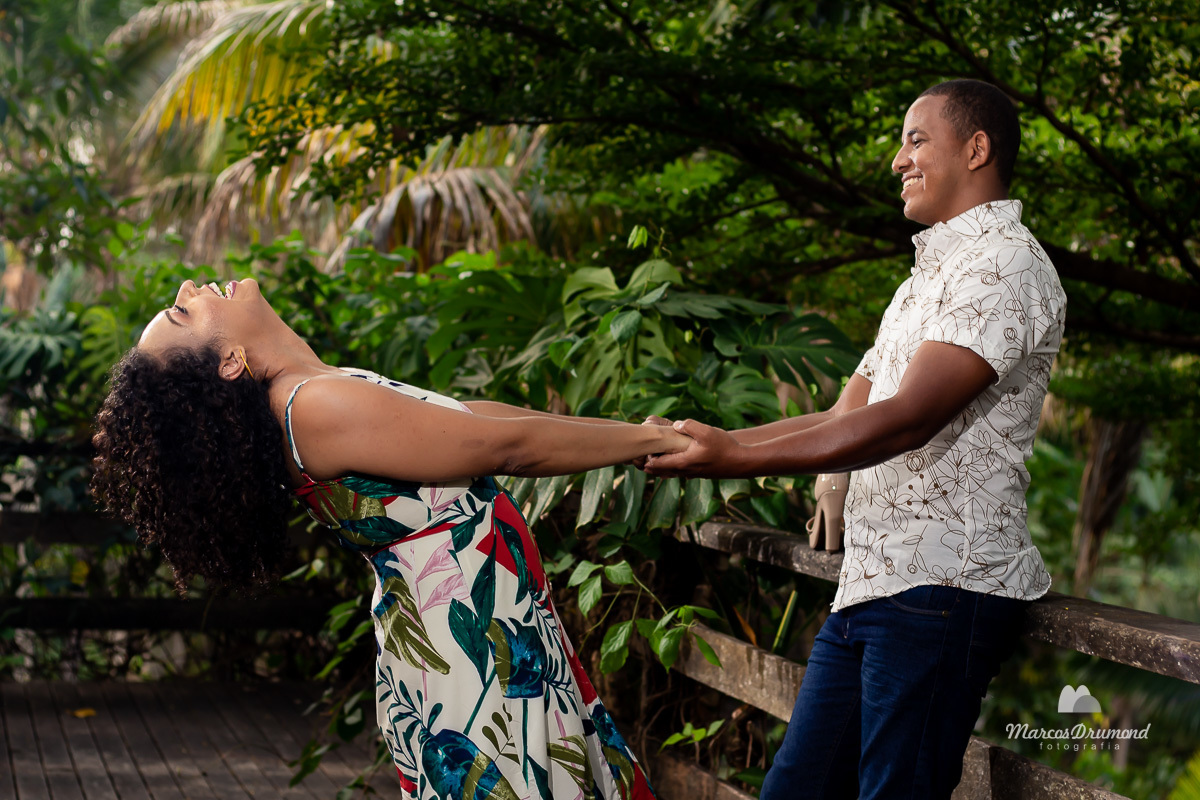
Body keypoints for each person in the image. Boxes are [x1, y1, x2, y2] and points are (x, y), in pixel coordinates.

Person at [91, 276, 686, 800]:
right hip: (473, 648)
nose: (188, 290)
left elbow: (473, 419)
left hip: (476, 634)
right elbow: (505, 447)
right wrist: (648, 443)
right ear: (230, 362)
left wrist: (636, 433)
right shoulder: (310, 406)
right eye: (183, 314)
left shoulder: (308, 394)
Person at [643, 79, 1066, 799]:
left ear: (977, 147)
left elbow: (906, 418)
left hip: (942, 588)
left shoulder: (1006, 266)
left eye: (914, 139)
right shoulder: (923, 280)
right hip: (873, 583)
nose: (896, 160)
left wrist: (735, 457)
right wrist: (713, 440)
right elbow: (854, 404)